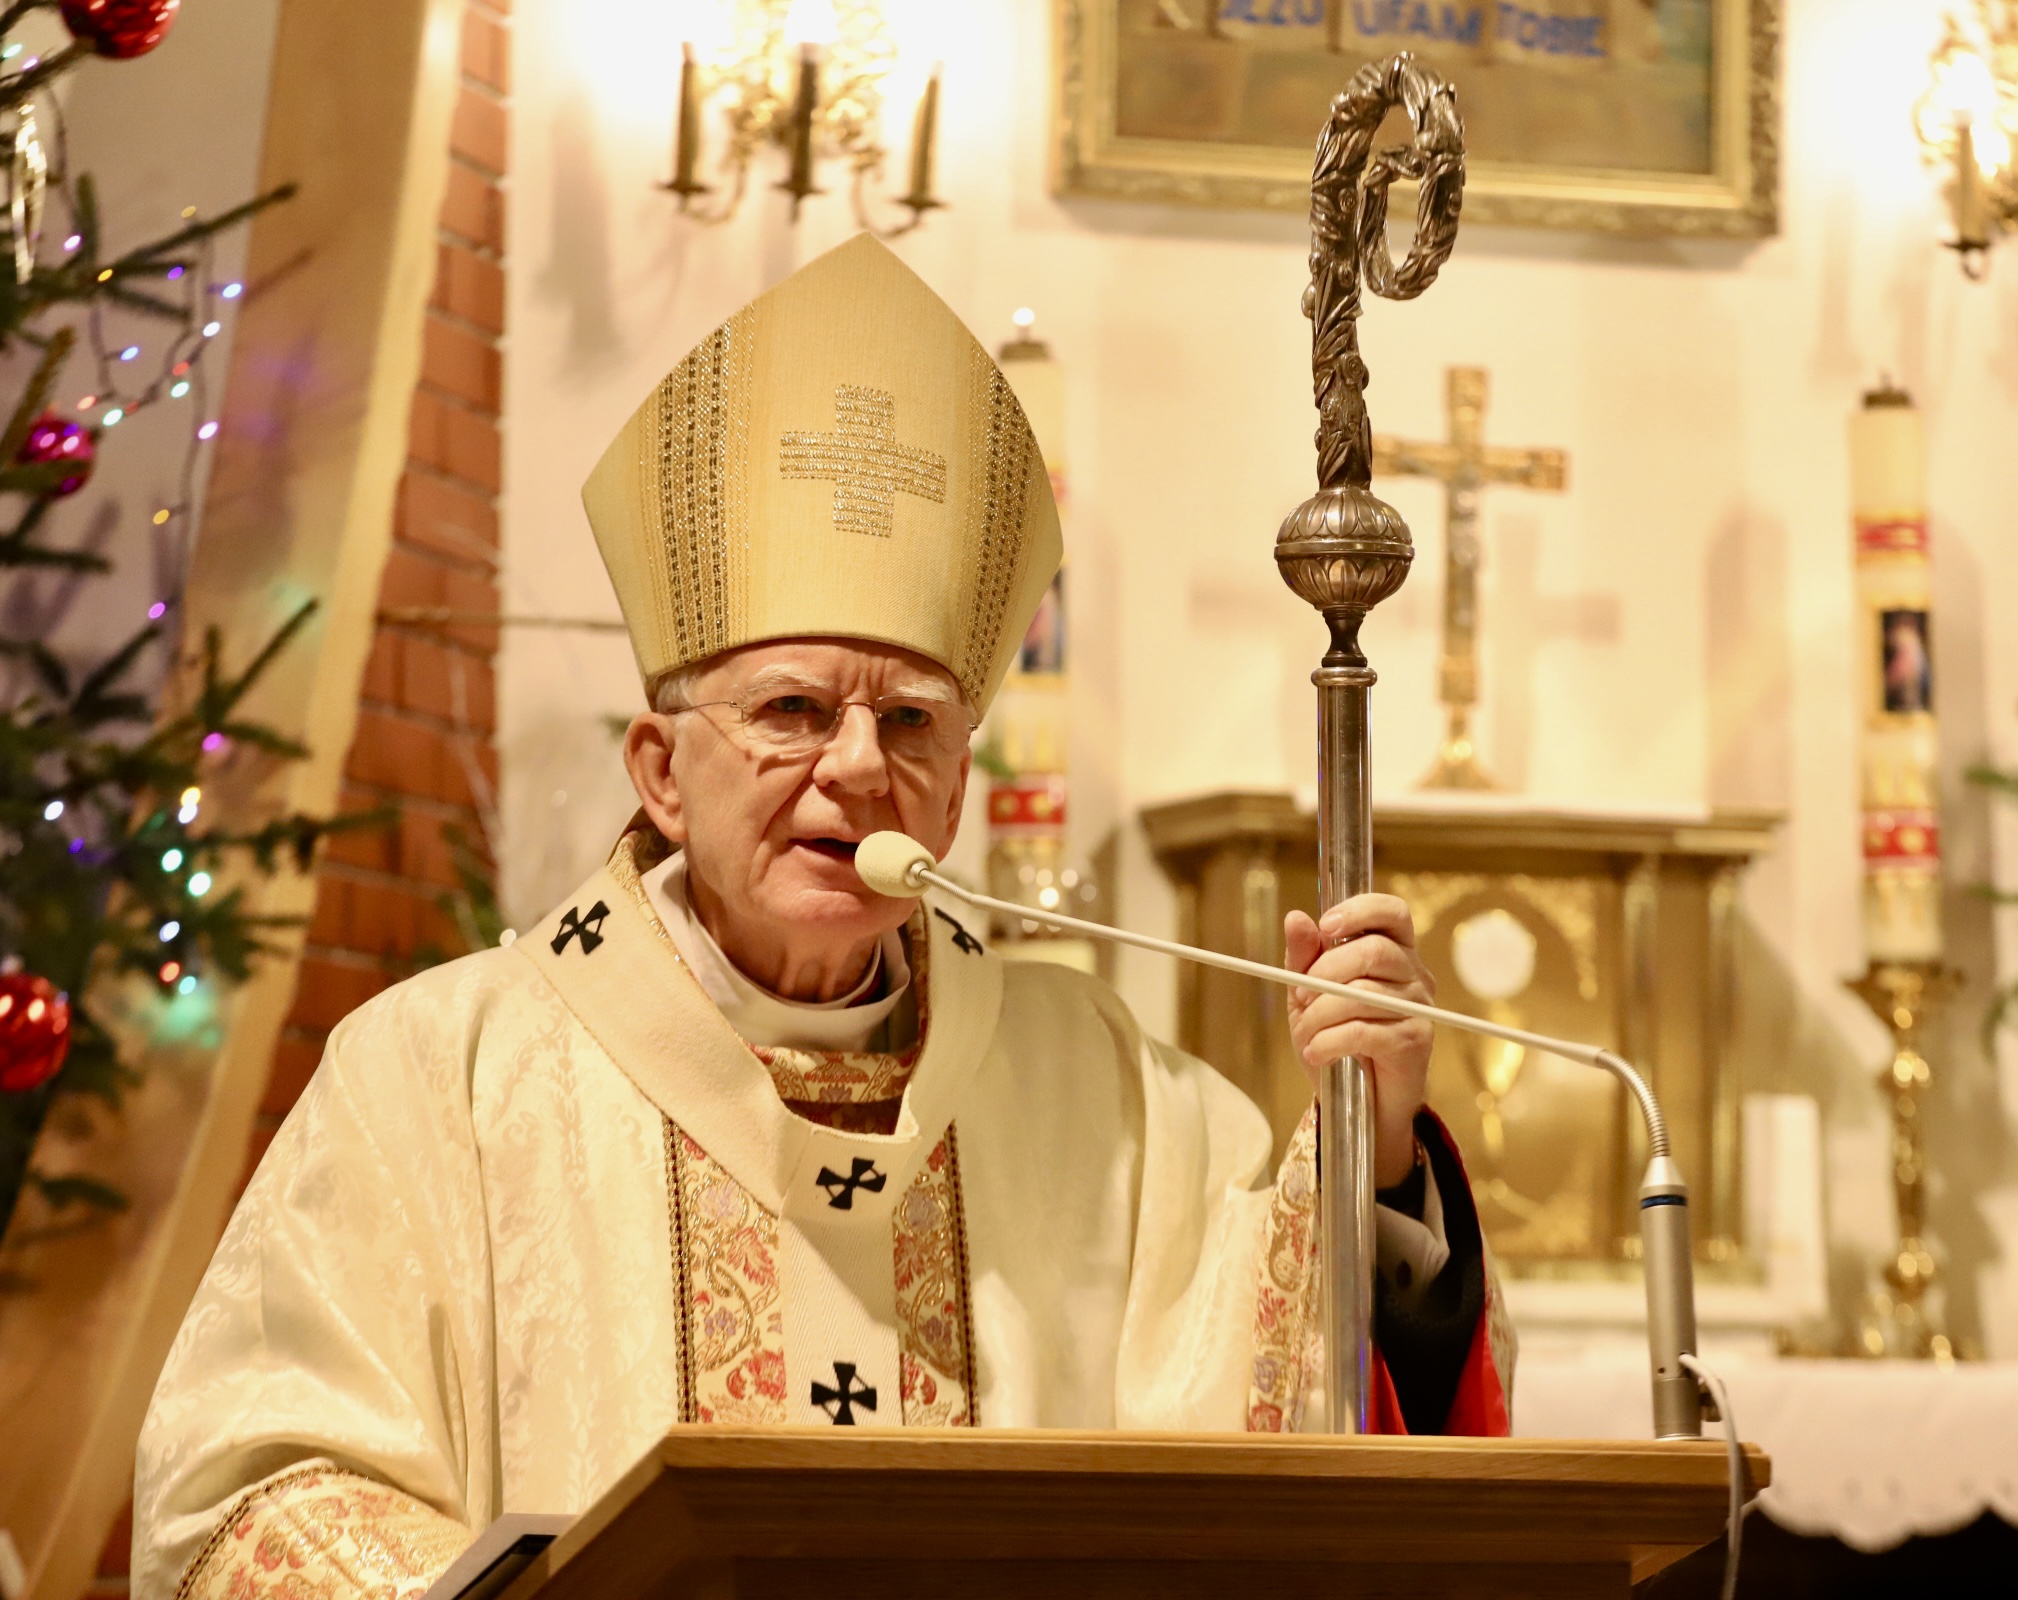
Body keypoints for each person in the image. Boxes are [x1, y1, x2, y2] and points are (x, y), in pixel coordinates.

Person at [132, 237, 1510, 1600]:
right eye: (794, 710)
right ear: (663, 775)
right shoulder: (440, 1077)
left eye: (910, 721)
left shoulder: (1101, 1090)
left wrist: (1375, 1149)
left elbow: (1312, 1437)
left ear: (961, 783)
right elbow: (251, 1487)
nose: (859, 766)